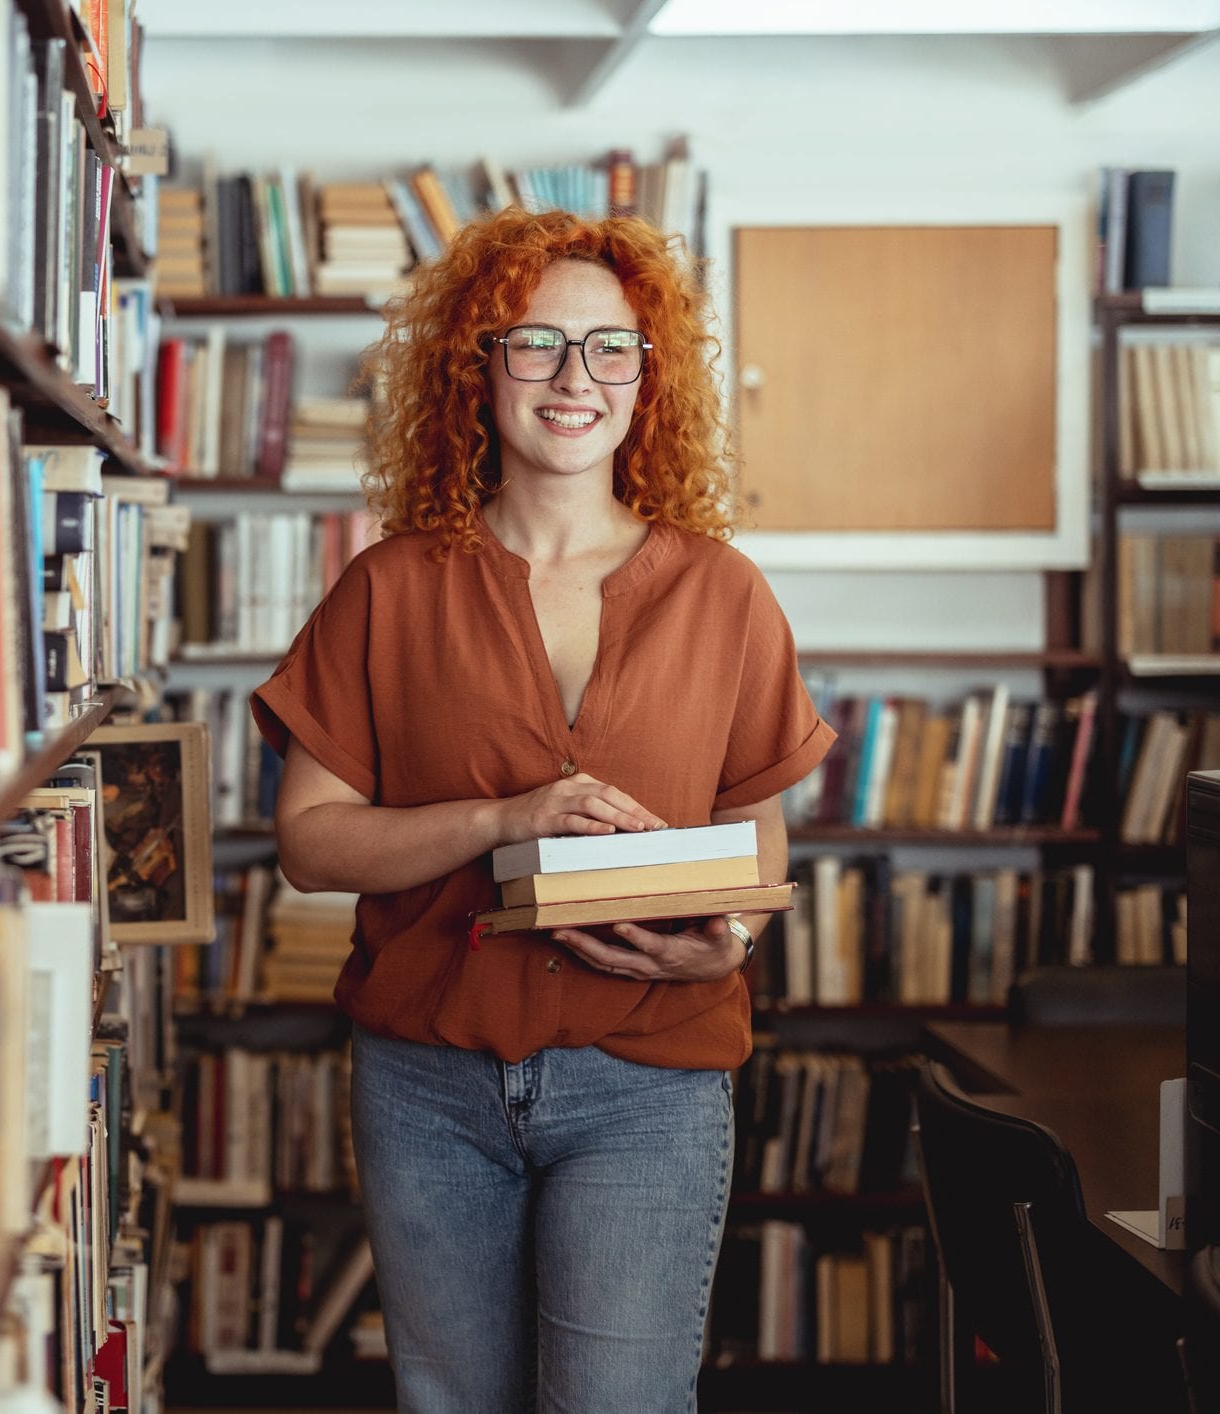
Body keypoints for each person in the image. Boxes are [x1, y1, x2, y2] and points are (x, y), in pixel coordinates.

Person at [250, 209, 835, 1412]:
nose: (575, 380)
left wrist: (726, 937)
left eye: (610, 348)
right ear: (479, 365)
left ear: (645, 378)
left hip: (649, 1075)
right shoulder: (389, 587)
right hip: (428, 1081)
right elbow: (308, 841)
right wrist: (496, 821)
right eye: (535, 345)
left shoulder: (722, 593)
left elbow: (758, 828)